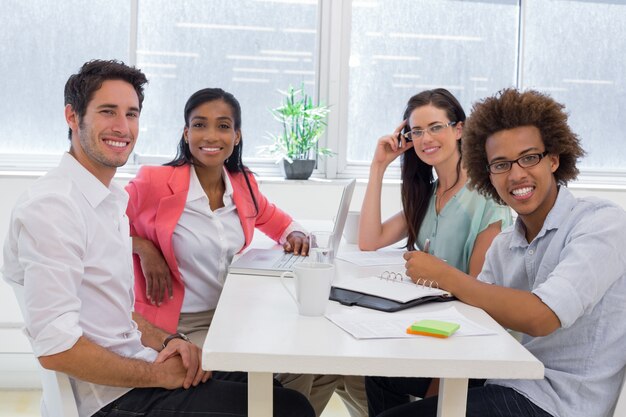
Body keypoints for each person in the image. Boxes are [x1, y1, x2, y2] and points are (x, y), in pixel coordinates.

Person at [2, 60, 314, 417]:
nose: (123, 127)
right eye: (108, 112)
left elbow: (115, 313)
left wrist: (168, 341)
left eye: (131, 114)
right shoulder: (53, 207)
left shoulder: (107, 201)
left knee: (271, 389)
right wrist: (156, 374)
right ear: (72, 117)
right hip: (111, 399)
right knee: (289, 410)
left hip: (140, 364)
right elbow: (56, 348)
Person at [374, 88, 626, 417]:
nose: (517, 174)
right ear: (488, 175)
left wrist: (444, 276)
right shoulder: (505, 244)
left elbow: (541, 317)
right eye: (501, 164)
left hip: (557, 401)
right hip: (508, 376)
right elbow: (476, 317)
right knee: (382, 373)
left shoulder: (600, 224)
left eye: (530, 157)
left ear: (554, 159)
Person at [126, 87, 340, 417]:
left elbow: (275, 219)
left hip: (234, 315)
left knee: (312, 361)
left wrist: (294, 232)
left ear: (237, 136)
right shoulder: (155, 181)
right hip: (178, 326)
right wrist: (144, 248)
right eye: (199, 124)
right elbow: (100, 228)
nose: (211, 135)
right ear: (186, 133)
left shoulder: (242, 182)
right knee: (278, 377)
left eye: (223, 126)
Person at [361, 88, 512, 416]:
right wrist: (378, 166)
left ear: (459, 130)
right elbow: (370, 240)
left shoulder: (487, 199)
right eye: (417, 131)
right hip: (431, 328)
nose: (426, 138)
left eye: (435, 127)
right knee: (375, 374)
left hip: (468, 343)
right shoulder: (429, 193)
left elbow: (480, 292)